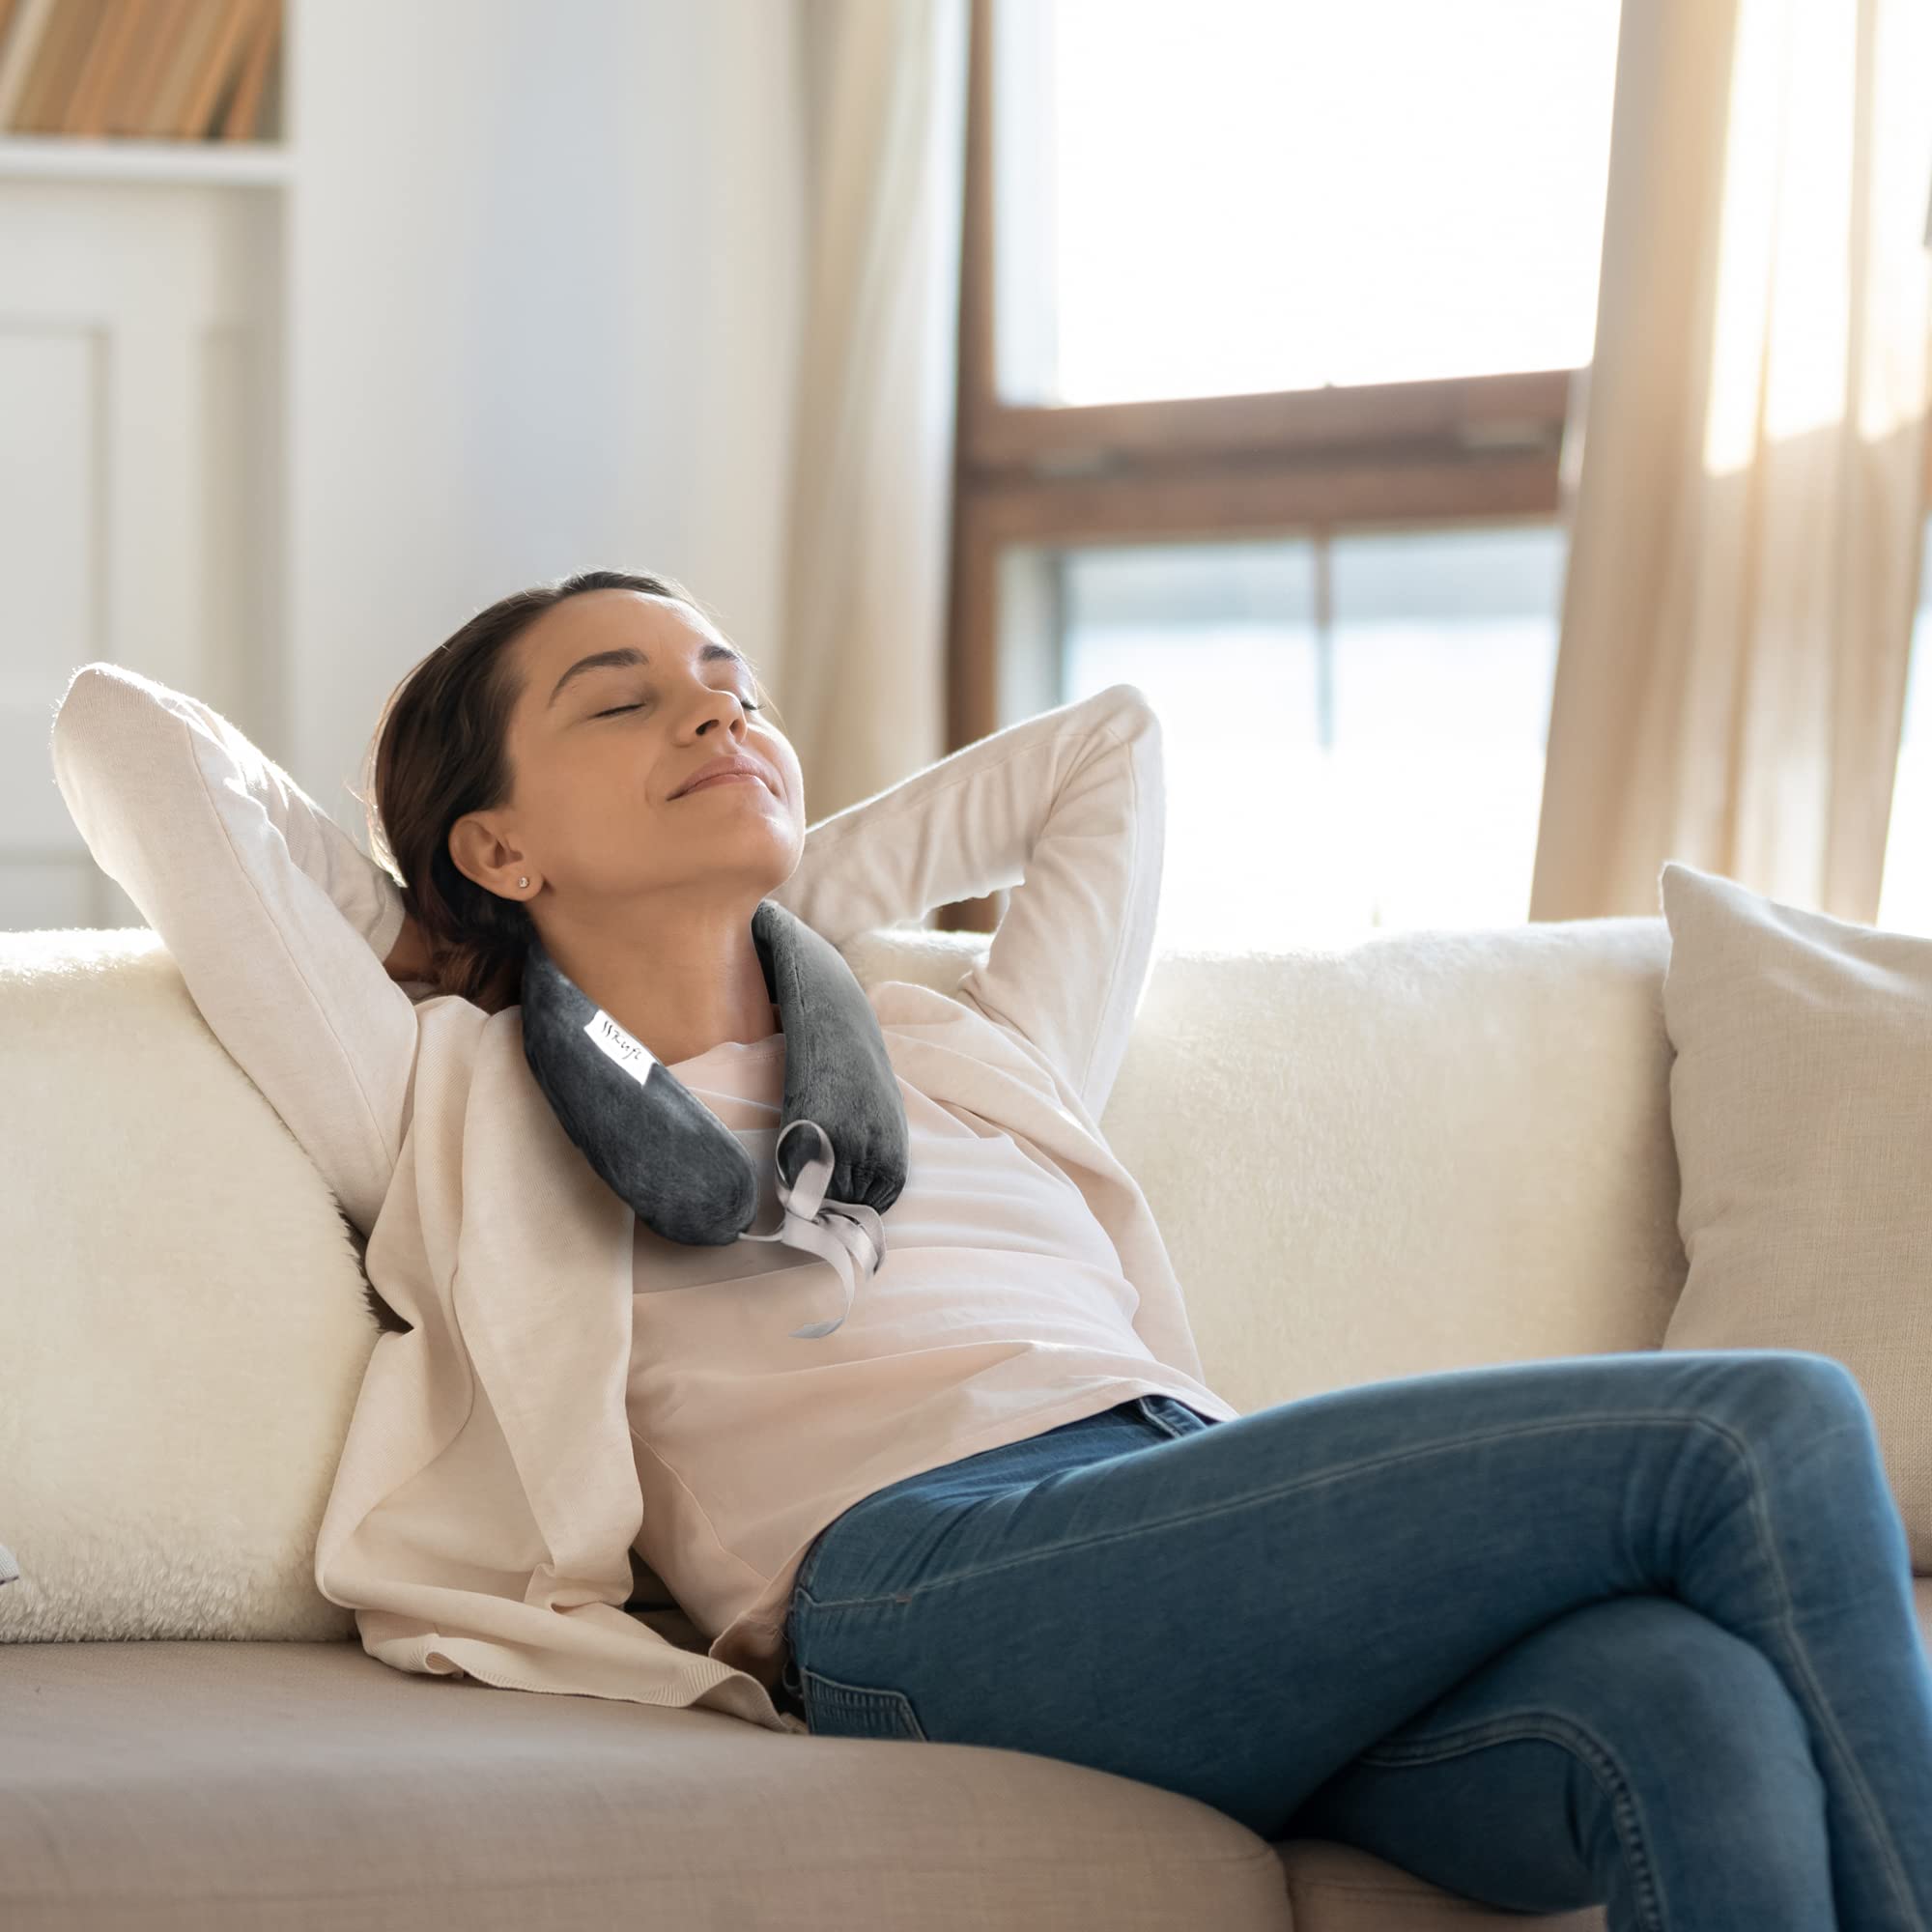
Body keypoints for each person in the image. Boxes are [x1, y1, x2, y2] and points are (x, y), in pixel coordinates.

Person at [57, 570, 1932, 1930]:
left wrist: (763, 883)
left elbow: (1106, 752)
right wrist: (483, 932)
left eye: (732, 684)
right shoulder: (454, 1086)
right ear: (494, 843)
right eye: (621, 702)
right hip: (922, 1578)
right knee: (1754, 1424)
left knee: (1694, 1712)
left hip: (1179, 1518)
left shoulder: (960, 1044)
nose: (714, 710)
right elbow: (124, 738)